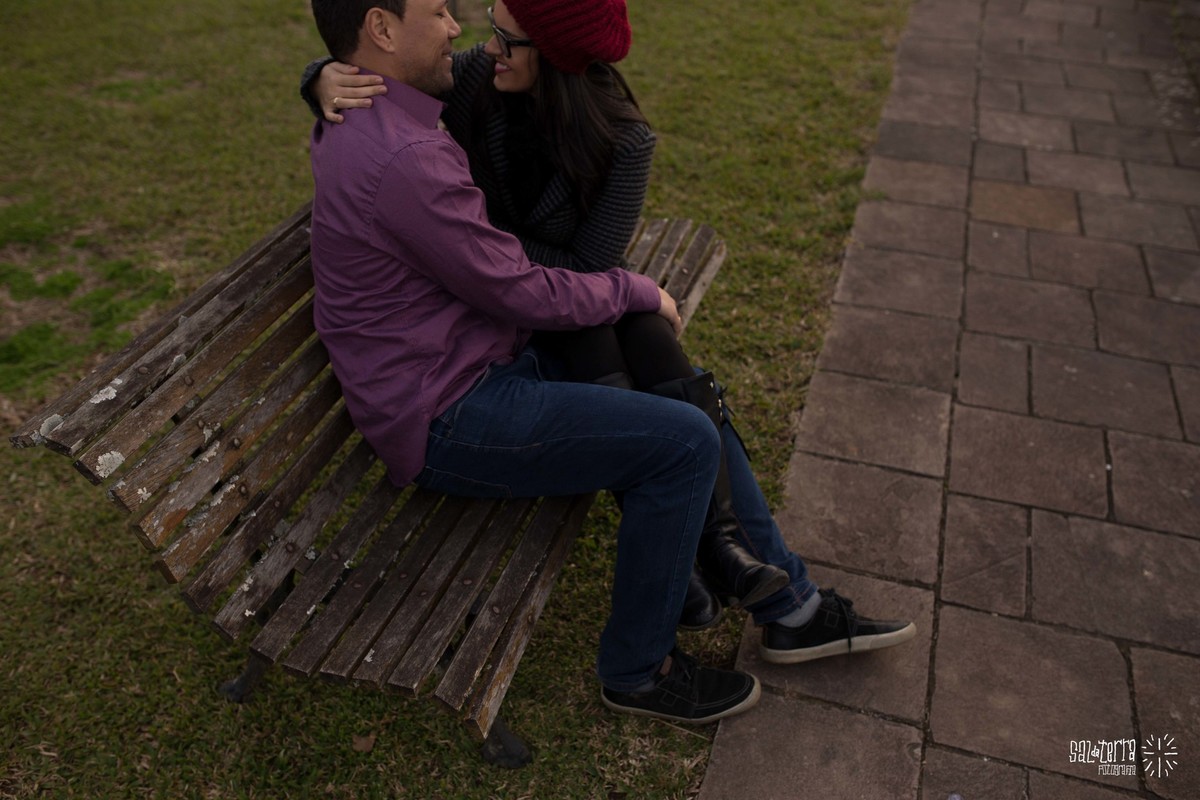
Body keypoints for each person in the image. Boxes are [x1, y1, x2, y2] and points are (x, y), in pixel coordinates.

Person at [305, 0, 915, 730]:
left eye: (489, 28)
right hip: (449, 409)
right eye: (440, 11)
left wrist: (321, 74)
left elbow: (541, 273)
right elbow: (514, 285)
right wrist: (636, 288)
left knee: (663, 368)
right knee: (683, 439)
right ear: (381, 28)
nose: (461, 32)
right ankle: (637, 671)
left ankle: (789, 605)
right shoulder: (404, 147)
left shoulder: (398, 115)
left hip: (484, 352)